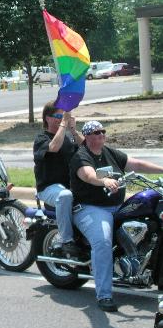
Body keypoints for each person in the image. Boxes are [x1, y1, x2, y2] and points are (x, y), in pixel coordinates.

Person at [70, 120, 163, 312]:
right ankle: (104, 295)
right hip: (91, 208)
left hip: (116, 205)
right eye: (95, 133)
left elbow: (135, 163)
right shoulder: (81, 156)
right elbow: (88, 175)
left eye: (102, 132)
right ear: (87, 137)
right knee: (103, 241)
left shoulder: (110, 153)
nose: (100, 135)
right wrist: (103, 180)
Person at [33, 101, 84, 257]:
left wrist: (73, 130)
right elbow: (54, 147)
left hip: (70, 185)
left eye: (62, 116)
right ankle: (66, 240)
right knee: (65, 195)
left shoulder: (68, 137)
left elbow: (86, 148)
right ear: (47, 118)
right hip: (48, 188)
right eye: (57, 116)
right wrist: (63, 124)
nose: (61, 119)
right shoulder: (41, 138)